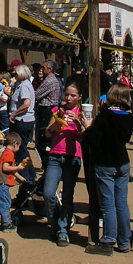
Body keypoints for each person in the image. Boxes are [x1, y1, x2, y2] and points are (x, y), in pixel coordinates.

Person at [83, 83, 133, 255]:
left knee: (107, 204)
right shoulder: (128, 117)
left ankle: (108, 239)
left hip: (105, 162)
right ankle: (124, 240)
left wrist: (87, 127)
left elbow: (93, 140)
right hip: (122, 162)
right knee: (121, 202)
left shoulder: (105, 116)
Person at [43, 80, 89, 247]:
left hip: (73, 156)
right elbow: (48, 132)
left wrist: (77, 122)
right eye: (67, 95)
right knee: (48, 193)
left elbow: (85, 137)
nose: (68, 98)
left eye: (73, 95)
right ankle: (55, 221)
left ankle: (63, 230)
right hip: (55, 154)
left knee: (68, 194)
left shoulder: (82, 112)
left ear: (79, 97)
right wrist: (57, 122)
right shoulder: (58, 110)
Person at [8, 64, 36, 181]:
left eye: (16, 73)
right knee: (23, 148)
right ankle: (30, 173)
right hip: (25, 120)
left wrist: (15, 114)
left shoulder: (24, 86)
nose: (14, 75)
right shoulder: (22, 85)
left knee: (21, 149)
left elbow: (26, 104)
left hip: (22, 120)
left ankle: (27, 175)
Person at [0, 132, 27, 231]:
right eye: (19, 146)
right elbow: (6, 168)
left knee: (6, 202)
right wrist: (19, 167)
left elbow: (11, 169)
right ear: (15, 144)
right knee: (5, 204)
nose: (19, 149)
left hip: (2, 183)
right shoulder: (9, 154)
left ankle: (6, 221)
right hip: (1, 183)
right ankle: (6, 224)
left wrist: (20, 177)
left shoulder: (7, 152)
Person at [35, 60, 61, 168]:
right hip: (47, 110)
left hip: (47, 111)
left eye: (44, 67)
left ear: (50, 69)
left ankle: (47, 165)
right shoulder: (50, 80)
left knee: (45, 139)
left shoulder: (49, 81)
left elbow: (36, 95)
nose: (42, 69)